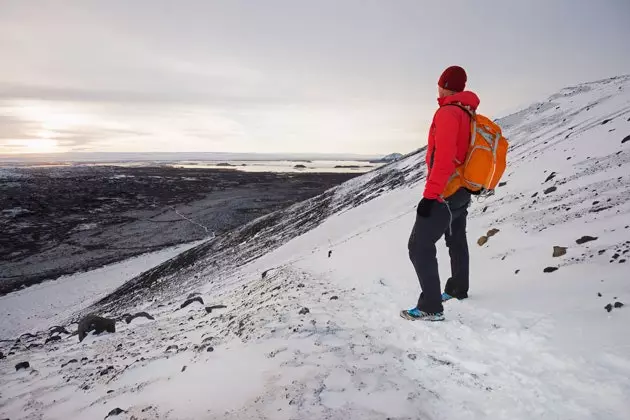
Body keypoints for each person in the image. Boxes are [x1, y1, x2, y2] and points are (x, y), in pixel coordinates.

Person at [401, 65, 480, 322]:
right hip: (462, 189)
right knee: (456, 239)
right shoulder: (468, 113)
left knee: (419, 246)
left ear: (443, 84)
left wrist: (429, 196)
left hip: (446, 191)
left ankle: (431, 307)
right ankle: (458, 288)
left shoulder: (447, 113)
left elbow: (443, 159)